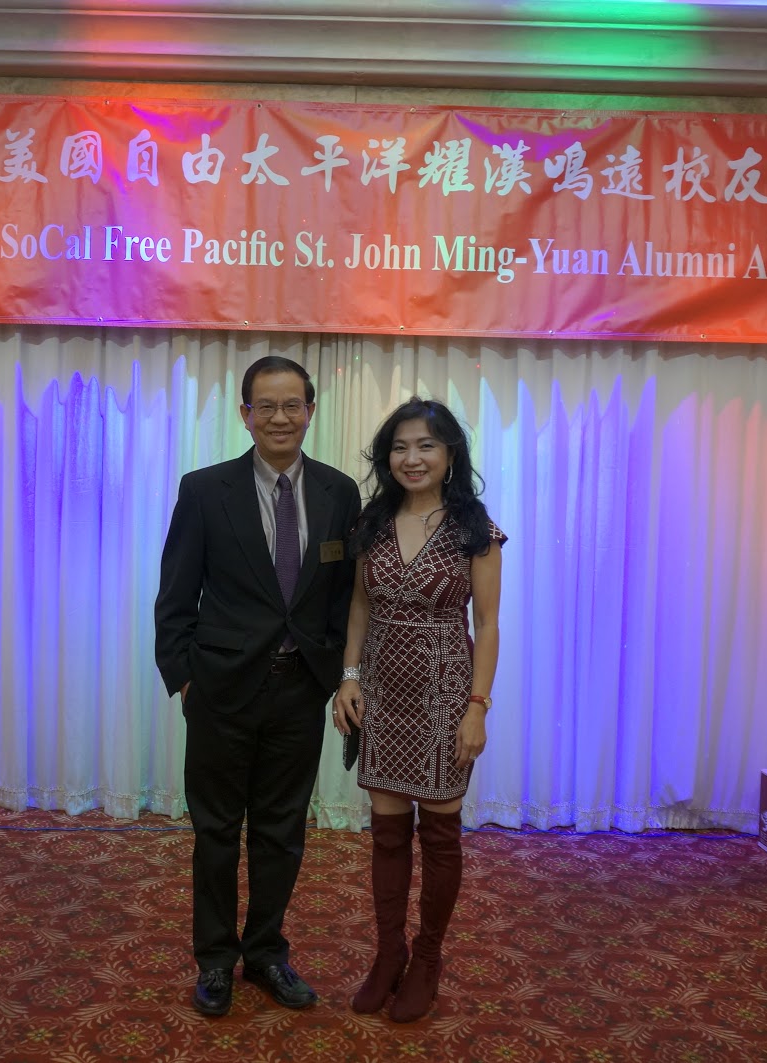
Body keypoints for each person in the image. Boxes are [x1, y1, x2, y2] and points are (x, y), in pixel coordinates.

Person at [154, 355, 362, 1018]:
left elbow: (342, 597)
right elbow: (175, 596)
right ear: (244, 414)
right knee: (216, 830)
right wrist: (185, 680)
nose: (279, 417)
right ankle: (215, 959)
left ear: (310, 410)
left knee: (282, 831)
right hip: (220, 690)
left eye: (291, 404)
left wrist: (338, 674)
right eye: (265, 406)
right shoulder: (203, 489)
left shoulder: (338, 493)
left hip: (299, 690)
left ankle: (267, 951)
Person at [332, 397, 504, 1023]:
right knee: (386, 834)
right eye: (400, 447)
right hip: (381, 692)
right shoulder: (372, 522)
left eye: (426, 446)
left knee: (438, 833)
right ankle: (389, 954)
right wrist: (348, 678)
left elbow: (487, 625)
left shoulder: (475, 529)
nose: (412, 458)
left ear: (450, 453)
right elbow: (359, 608)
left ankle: (428, 958)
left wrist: (477, 708)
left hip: (444, 695)